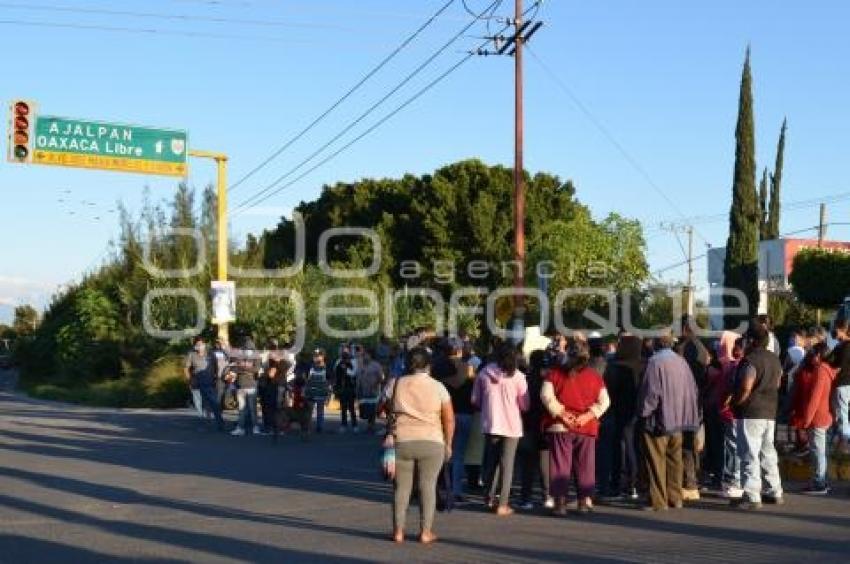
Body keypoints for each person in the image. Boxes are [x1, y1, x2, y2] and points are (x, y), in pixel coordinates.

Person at [384, 347, 454, 544]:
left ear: (407, 364)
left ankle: (398, 531)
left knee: (401, 488)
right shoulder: (438, 387)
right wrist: (448, 443)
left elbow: (384, 407)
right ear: (428, 365)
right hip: (432, 442)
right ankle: (425, 532)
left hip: (402, 440)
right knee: (428, 487)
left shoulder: (395, 384)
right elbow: (449, 419)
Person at [542, 339, 610, 515]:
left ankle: (560, 503)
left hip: (560, 426)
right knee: (585, 465)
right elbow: (605, 401)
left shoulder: (554, 374)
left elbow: (546, 396)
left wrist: (562, 413)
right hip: (586, 426)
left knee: (559, 464)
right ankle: (583, 501)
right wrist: (588, 415)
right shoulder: (595, 376)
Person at [637, 331, 700, 512]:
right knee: (675, 460)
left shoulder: (654, 362)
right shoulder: (682, 362)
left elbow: (650, 394)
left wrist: (643, 413)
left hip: (658, 421)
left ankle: (659, 501)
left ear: (656, 344)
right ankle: (675, 498)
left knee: (656, 461)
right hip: (679, 421)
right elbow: (693, 390)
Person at [473, 343, 529, 516]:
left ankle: (489, 497)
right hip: (511, 425)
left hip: (491, 423)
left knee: (491, 461)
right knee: (507, 464)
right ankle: (503, 503)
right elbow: (525, 405)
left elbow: (475, 399)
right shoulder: (519, 377)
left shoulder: (483, 373)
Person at [732, 323, 784, 510]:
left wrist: (736, 402)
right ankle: (774, 490)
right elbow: (777, 383)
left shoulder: (750, 360)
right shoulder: (775, 359)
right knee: (768, 452)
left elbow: (746, 386)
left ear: (751, 341)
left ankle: (752, 495)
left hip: (751, 412)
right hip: (770, 411)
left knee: (749, 453)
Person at [602, 335, 645, 500]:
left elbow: (609, 391)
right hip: (639, 413)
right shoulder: (643, 365)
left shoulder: (615, 367)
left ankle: (618, 484)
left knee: (619, 449)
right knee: (635, 448)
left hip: (619, 412)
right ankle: (634, 483)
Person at [790, 341, 834, 495]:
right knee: (821, 451)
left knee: (817, 452)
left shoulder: (820, 371)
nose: (811, 356)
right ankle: (822, 481)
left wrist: (806, 420)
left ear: (820, 356)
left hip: (817, 417)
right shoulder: (826, 370)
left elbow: (814, 398)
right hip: (823, 416)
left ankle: (819, 483)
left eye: (814, 353)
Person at [435, 339, 476, 502]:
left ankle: (438, 486)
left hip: (441, 415)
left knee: (440, 451)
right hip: (464, 413)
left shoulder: (437, 368)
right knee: (458, 454)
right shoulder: (469, 369)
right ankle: (456, 490)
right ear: (459, 351)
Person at [674, 315, 709, 501]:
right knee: (693, 443)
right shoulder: (701, 347)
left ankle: (688, 482)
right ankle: (693, 479)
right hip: (696, 400)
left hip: (686, 401)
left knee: (686, 443)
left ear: (686, 327)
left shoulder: (687, 347)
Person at [518, 350, 553, 510]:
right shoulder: (550, 380)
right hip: (546, 424)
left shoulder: (526, 380)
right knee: (545, 462)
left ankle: (526, 497)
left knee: (528, 464)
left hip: (528, 424)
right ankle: (547, 495)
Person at [184, 336, 225, 431]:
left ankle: (220, 423)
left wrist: (216, 378)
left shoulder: (211, 354)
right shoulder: (191, 355)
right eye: (197, 345)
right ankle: (206, 425)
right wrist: (190, 380)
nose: (199, 346)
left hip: (210, 383)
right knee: (202, 406)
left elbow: (216, 367)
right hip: (197, 383)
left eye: (201, 344)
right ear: (194, 346)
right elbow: (186, 368)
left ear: (204, 344)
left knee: (215, 404)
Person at [227, 336, 263, 436]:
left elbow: (256, 369)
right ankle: (241, 427)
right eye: (246, 348)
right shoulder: (240, 356)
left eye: (249, 348)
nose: (247, 350)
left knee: (252, 409)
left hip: (251, 386)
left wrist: (242, 369)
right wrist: (246, 370)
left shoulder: (256, 356)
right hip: (241, 385)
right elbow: (235, 368)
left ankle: (255, 427)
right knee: (242, 409)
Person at [828, 318, 850, 455]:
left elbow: (837, 366)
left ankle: (844, 444)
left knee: (842, 413)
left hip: (843, 383)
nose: (834, 332)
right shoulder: (841, 345)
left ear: (842, 330)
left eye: (835, 329)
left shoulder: (845, 346)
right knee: (843, 413)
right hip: (845, 384)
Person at [357, 348, 384, 434]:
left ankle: (371, 426)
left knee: (372, 409)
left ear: (370, 356)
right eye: (364, 355)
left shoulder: (376, 365)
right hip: (364, 390)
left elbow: (381, 377)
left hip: (373, 391)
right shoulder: (361, 365)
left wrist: (375, 384)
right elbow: (359, 377)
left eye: (366, 355)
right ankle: (369, 425)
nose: (365, 356)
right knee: (365, 409)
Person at [304, 349, 331, 434]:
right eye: (315, 356)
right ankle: (307, 427)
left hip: (321, 393)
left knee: (320, 410)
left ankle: (320, 427)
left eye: (318, 356)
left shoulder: (326, 367)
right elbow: (306, 379)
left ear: (323, 357)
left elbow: (329, 381)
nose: (316, 358)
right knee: (309, 410)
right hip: (310, 393)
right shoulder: (309, 367)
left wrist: (329, 394)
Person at [335, 348, 358, 433]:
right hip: (341, 388)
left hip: (350, 388)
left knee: (351, 408)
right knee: (343, 407)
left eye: (346, 352)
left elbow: (354, 373)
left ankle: (354, 425)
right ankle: (343, 425)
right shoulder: (338, 362)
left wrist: (346, 369)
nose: (344, 353)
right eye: (343, 351)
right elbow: (336, 373)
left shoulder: (353, 361)